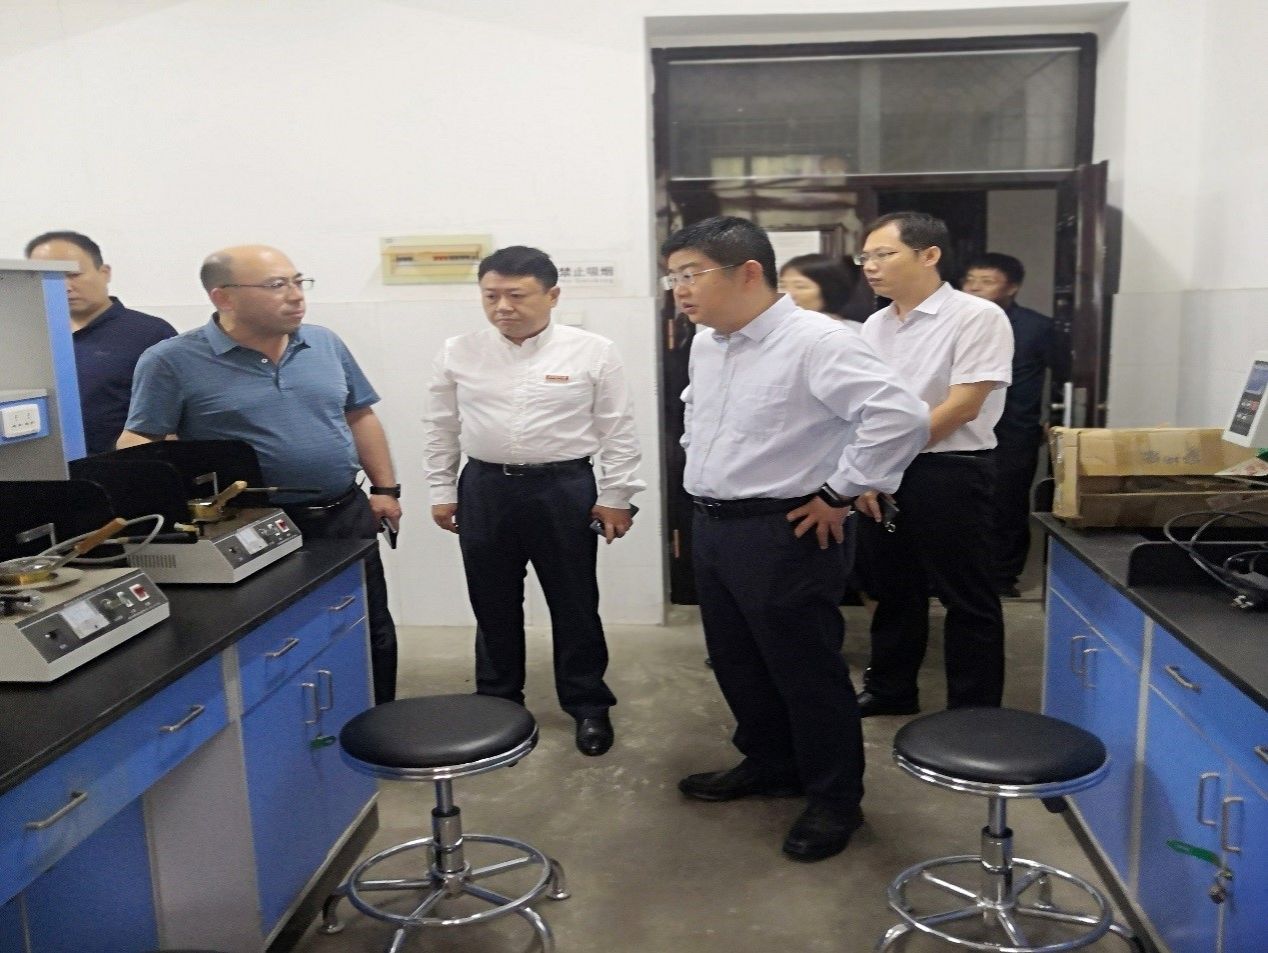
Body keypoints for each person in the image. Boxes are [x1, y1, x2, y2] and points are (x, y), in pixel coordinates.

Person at [667, 216, 929, 861]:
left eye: (691, 274)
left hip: (786, 529)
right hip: (715, 525)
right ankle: (771, 762)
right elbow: (701, 414)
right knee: (737, 661)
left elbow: (899, 416)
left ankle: (835, 798)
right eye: (673, 277)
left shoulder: (818, 340)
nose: (680, 289)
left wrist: (842, 490)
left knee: (806, 671)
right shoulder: (709, 343)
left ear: (748, 273)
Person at [117, 245, 401, 705]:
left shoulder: (324, 343)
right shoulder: (172, 361)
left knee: (370, 625)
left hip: (343, 513)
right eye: (276, 285)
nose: (295, 295)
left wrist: (385, 489)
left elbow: (359, 416)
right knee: (281, 640)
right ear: (223, 297)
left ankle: (377, 719)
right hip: (254, 530)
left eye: (298, 281)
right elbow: (139, 443)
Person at [423, 246, 644, 757]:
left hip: (563, 489)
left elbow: (618, 429)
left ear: (552, 295)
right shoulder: (458, 351)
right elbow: (441, 426)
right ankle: (498, 702)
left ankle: (588, 704)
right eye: (491, 296)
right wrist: (441, 490)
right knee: (492, 601)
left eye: (516, 295)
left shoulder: (592, 351)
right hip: (484, 488)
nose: (502, 307)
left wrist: (617, 495)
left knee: (574, 601)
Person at [853, 212, 1014, 717]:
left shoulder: (977, 316)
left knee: (966, 595)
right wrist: (866, 471)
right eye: (865, 257)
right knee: (894, 589)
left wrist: (881, 461)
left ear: (929, 255)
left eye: (884, 254)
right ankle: (891, 690)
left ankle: (973, 710)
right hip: (884, 471)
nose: (871, 266)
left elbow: (963, 406)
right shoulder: (875, 325)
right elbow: (865, 405)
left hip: (949, 469)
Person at [25, 231, 176, 456]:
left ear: (104, 272)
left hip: (123, 467)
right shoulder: (26, 338)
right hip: (38, 464)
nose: (64, 286)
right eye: (48, 276)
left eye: (73, 275)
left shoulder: (151, 334)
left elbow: (176, 419)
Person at [962, 252, 1060, 597]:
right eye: (970, 280)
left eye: (986, 281)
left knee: (1008, 503)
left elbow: (1065, 374)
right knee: (961, 503)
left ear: (1012, 287)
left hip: (1015, 428)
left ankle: (1003, 577)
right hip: (961, 426)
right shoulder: (953, 322)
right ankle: (959, 574)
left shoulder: (1037, 327)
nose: (974, 288)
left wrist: (1053, 419)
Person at [779, 252, 874, 324]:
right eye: (782, 286)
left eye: (800, 287)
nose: (787, 294)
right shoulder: (779, 329)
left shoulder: (853, 334)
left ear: (830, 290)